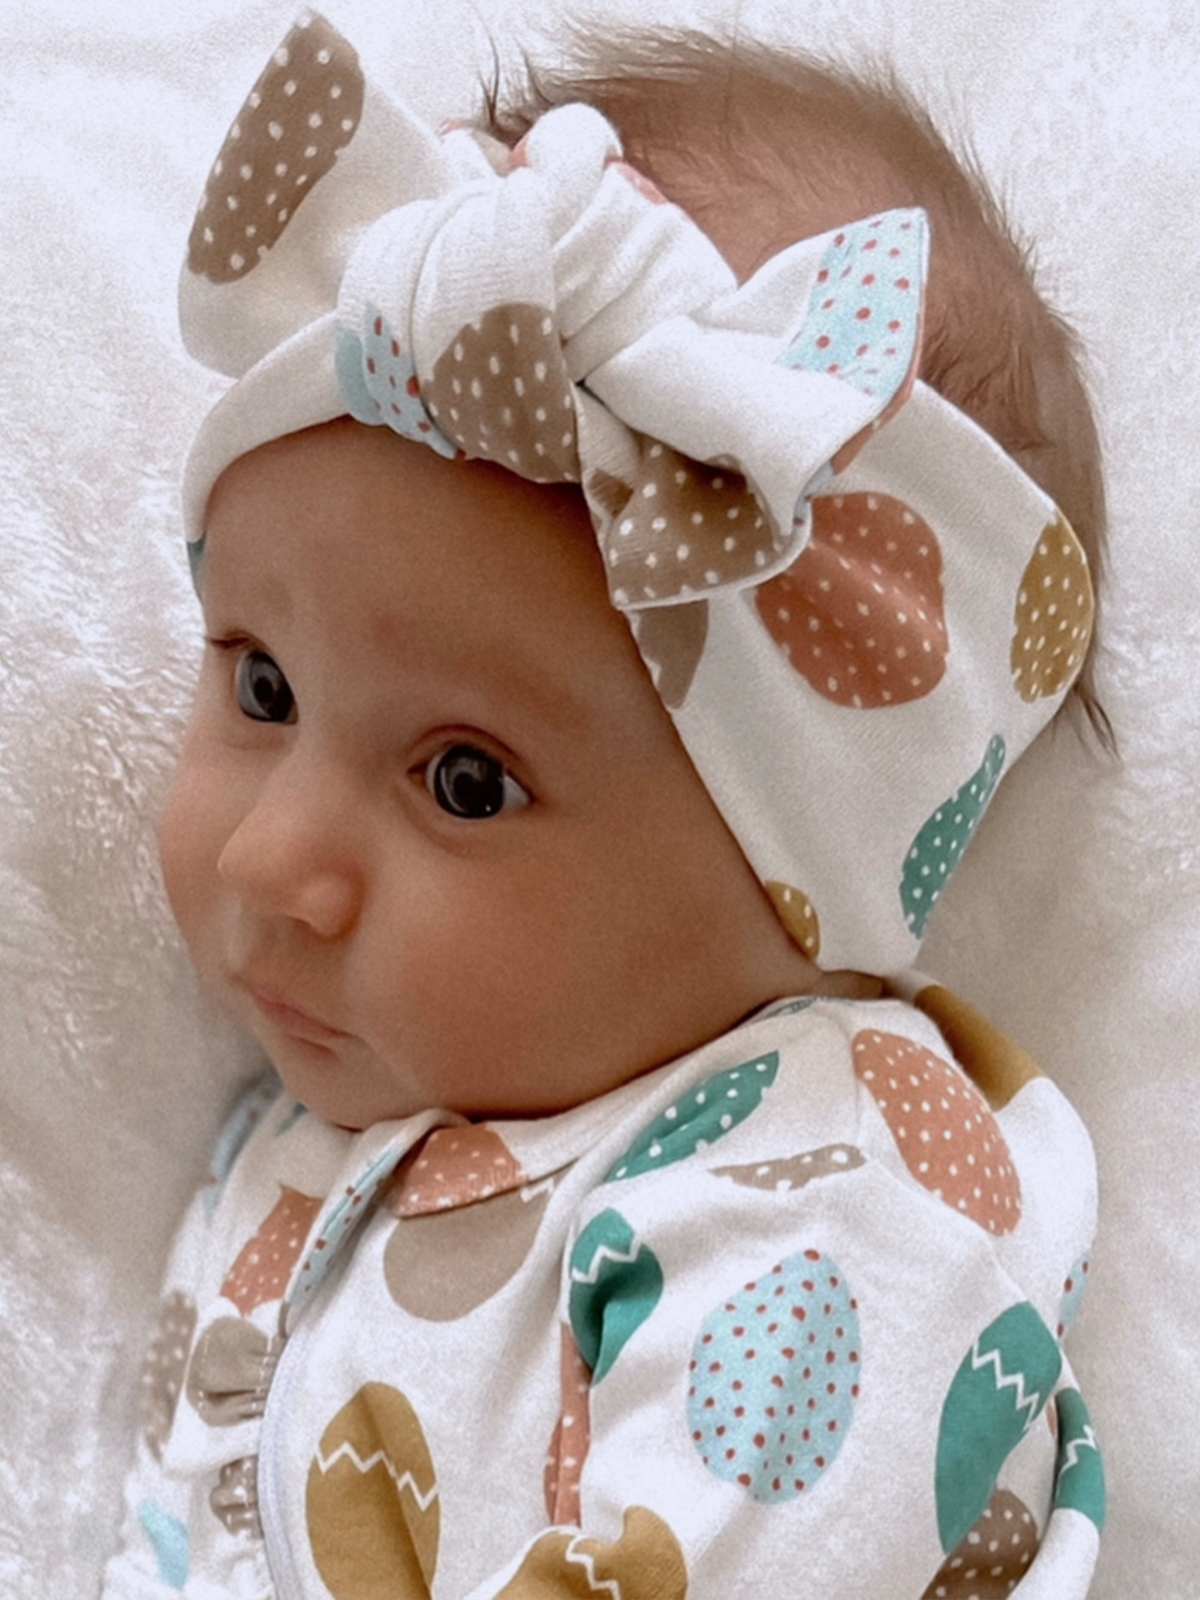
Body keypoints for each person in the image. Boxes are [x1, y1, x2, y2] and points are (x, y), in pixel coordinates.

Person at [103, 12, 1107, 1597]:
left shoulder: (833, 1193)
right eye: (263, 686)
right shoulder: (322, 1145)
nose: (270, 855)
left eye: (465, 782)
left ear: (796, 881)